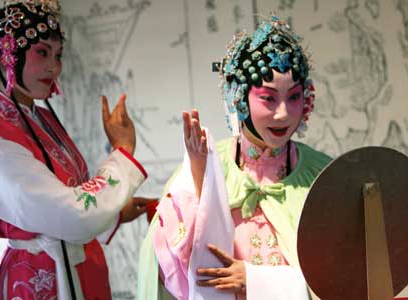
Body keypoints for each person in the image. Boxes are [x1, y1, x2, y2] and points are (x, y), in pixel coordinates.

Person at [138, 15, 332, 300]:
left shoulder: (322, 175)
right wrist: (200, 180)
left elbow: (342, 276)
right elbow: (177, 273)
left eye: (293, 97)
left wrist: (255, 281)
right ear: (239, 98)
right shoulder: (209, 166)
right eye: (268, 98)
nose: (283, 113)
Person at [0, 1, 150, 299]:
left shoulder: (40, 118)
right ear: (5, 55)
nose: (54, 67)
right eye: (42, 53)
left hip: (72, 263)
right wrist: (122, 151)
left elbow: (63, 200)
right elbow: (71, 214)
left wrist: (113, 213)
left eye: (58, 55)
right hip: (38, 276)